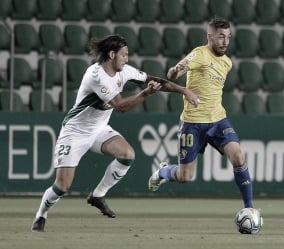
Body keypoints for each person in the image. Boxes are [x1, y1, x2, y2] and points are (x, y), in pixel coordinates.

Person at [31, 35, 199, 232]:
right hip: (75, 133)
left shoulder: (124, 71)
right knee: (62, 186)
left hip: (99, 130)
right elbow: (120, 106)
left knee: (127, 154)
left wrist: (183, 90)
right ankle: (41, 214)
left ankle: (97, 194)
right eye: (124, 55)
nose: (127, 59)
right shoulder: (96, 76)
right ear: (112, 54)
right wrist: (145, 93)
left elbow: (155, 80)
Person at [148, 17, 255, 210]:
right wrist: (175, 70)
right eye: (221, 36)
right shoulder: (199, 54)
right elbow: (172, 74)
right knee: (184, 177)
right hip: (193, 123)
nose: (225, 41)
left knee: (238, 157)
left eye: (228, 37)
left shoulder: (227, 63)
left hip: (218, 120)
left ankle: (249, 208)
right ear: (210, 37)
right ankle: (163, 172)